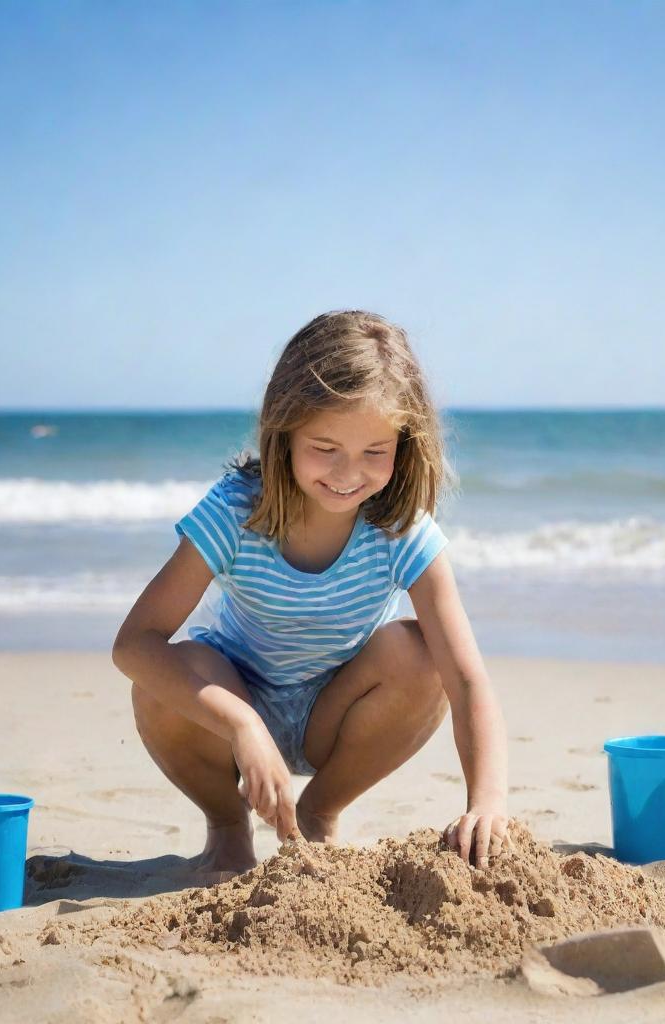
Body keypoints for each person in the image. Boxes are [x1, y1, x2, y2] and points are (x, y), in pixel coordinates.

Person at [112, 310, 509, 884]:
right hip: (230, 707)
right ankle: (227, 828)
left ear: (405, 442)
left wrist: (488, 800)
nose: (349, 473)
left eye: (376, 451)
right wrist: (245, 726)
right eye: (325, 447)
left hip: (337, 714)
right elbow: (134, 645)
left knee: (421, 655)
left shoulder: (400, 528)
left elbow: (467, 678)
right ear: (285, 432)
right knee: (162, 676)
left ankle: (319, 813)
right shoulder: (235, 512)